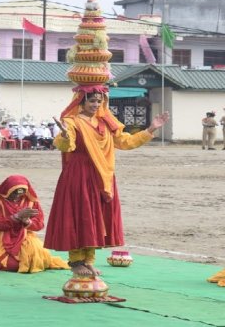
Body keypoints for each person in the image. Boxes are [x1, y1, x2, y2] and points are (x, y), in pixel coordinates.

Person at [44, 84, 169, 277]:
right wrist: (65, 137)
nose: (96, 105)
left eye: (99, 101)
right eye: (92, 101)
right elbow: (65, 145)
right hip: (79, 174)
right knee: (81, 215)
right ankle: (76, 260)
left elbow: (125, 142)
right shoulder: (72, 121)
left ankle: (89, 260)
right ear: (81, 101)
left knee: (96, 217)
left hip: (103, 175)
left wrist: (151, 129)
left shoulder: (106, 123)